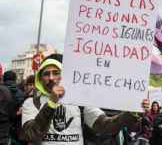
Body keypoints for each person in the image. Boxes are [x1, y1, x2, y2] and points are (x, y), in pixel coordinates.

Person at [21, 53, 149, 145]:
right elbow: (32, 135)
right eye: (46, 74)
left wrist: (132, 111)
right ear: (39, 78)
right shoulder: (31, 103)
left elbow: (105, 125)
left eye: (56, 72)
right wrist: (51, 103)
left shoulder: (79, 100)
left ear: (64, 74)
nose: (51, 77)